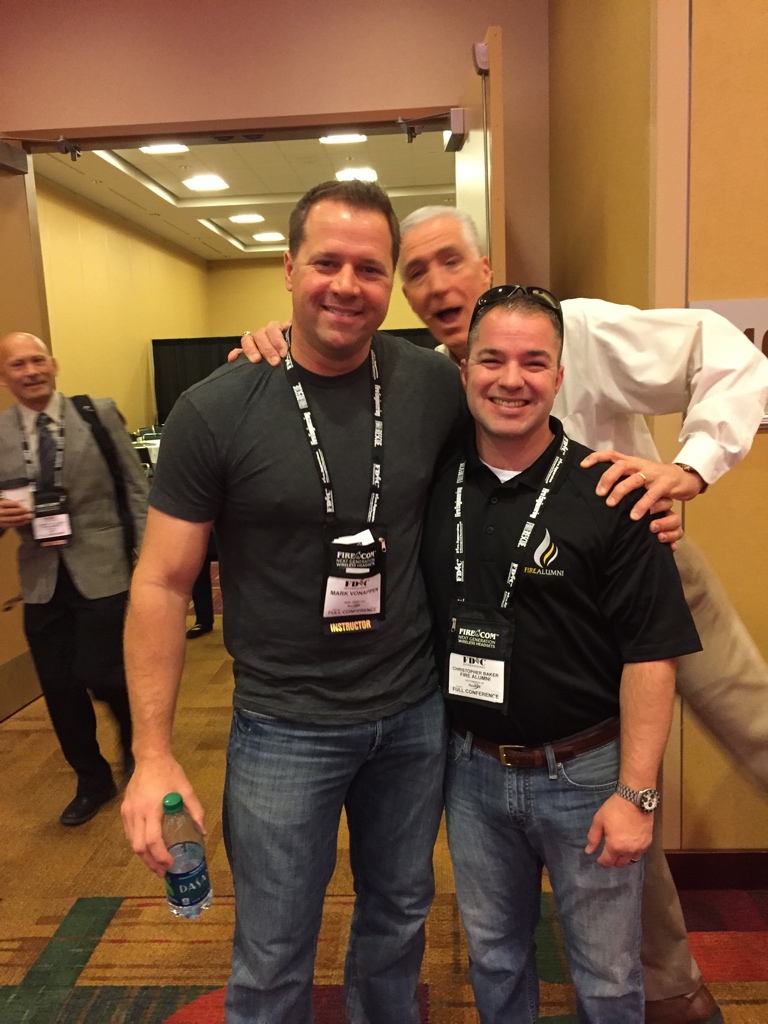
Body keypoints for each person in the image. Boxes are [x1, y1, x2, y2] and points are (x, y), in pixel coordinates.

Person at [243, 205, 768, 1024]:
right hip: (535, 627)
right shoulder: (428, 380)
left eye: (450, 261)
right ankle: (669, 987)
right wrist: (272, 342)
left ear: (486, 267)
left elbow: (729, 353)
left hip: (644, 558)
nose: (436, 283)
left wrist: (690, 472)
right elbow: (329, 361)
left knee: (755, 731)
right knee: (614, 793)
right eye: (415, 272)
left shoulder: (581, 330)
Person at [120, 181, 467, 1024]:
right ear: (287, 269)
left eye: (370, 269)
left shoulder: (432, 386)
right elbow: (163, 583)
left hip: (413, 716)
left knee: (398, 920)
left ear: (391, 285)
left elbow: (512, 468)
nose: (347, 285)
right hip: (284, 726)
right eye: (327, 263)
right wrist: (153, 751)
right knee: (274, 953)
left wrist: (653, 481)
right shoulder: (217, 408)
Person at [423, 286, 702, 1022]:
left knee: (608, 977)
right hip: (473, 771)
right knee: (494, 958)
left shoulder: (616, 493)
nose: (510, 380)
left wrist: (637, 796)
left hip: (586, 774)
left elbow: (654, 654)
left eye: (533, 362)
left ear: (558, 377)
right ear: (464, 371)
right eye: (491, 359)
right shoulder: (434, 481)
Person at [0, 332, 148, 825]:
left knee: (103, 674)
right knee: (59, 689)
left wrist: (151, 562)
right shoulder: (0, 433)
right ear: (5, 377)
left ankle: (138, 753)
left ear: (54, 364)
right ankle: (92, 781)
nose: (30, 370)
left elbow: (135, 486)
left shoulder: (95, 414)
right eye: (17, 364)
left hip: (104, 569)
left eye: (37, 360)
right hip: (42, 579)